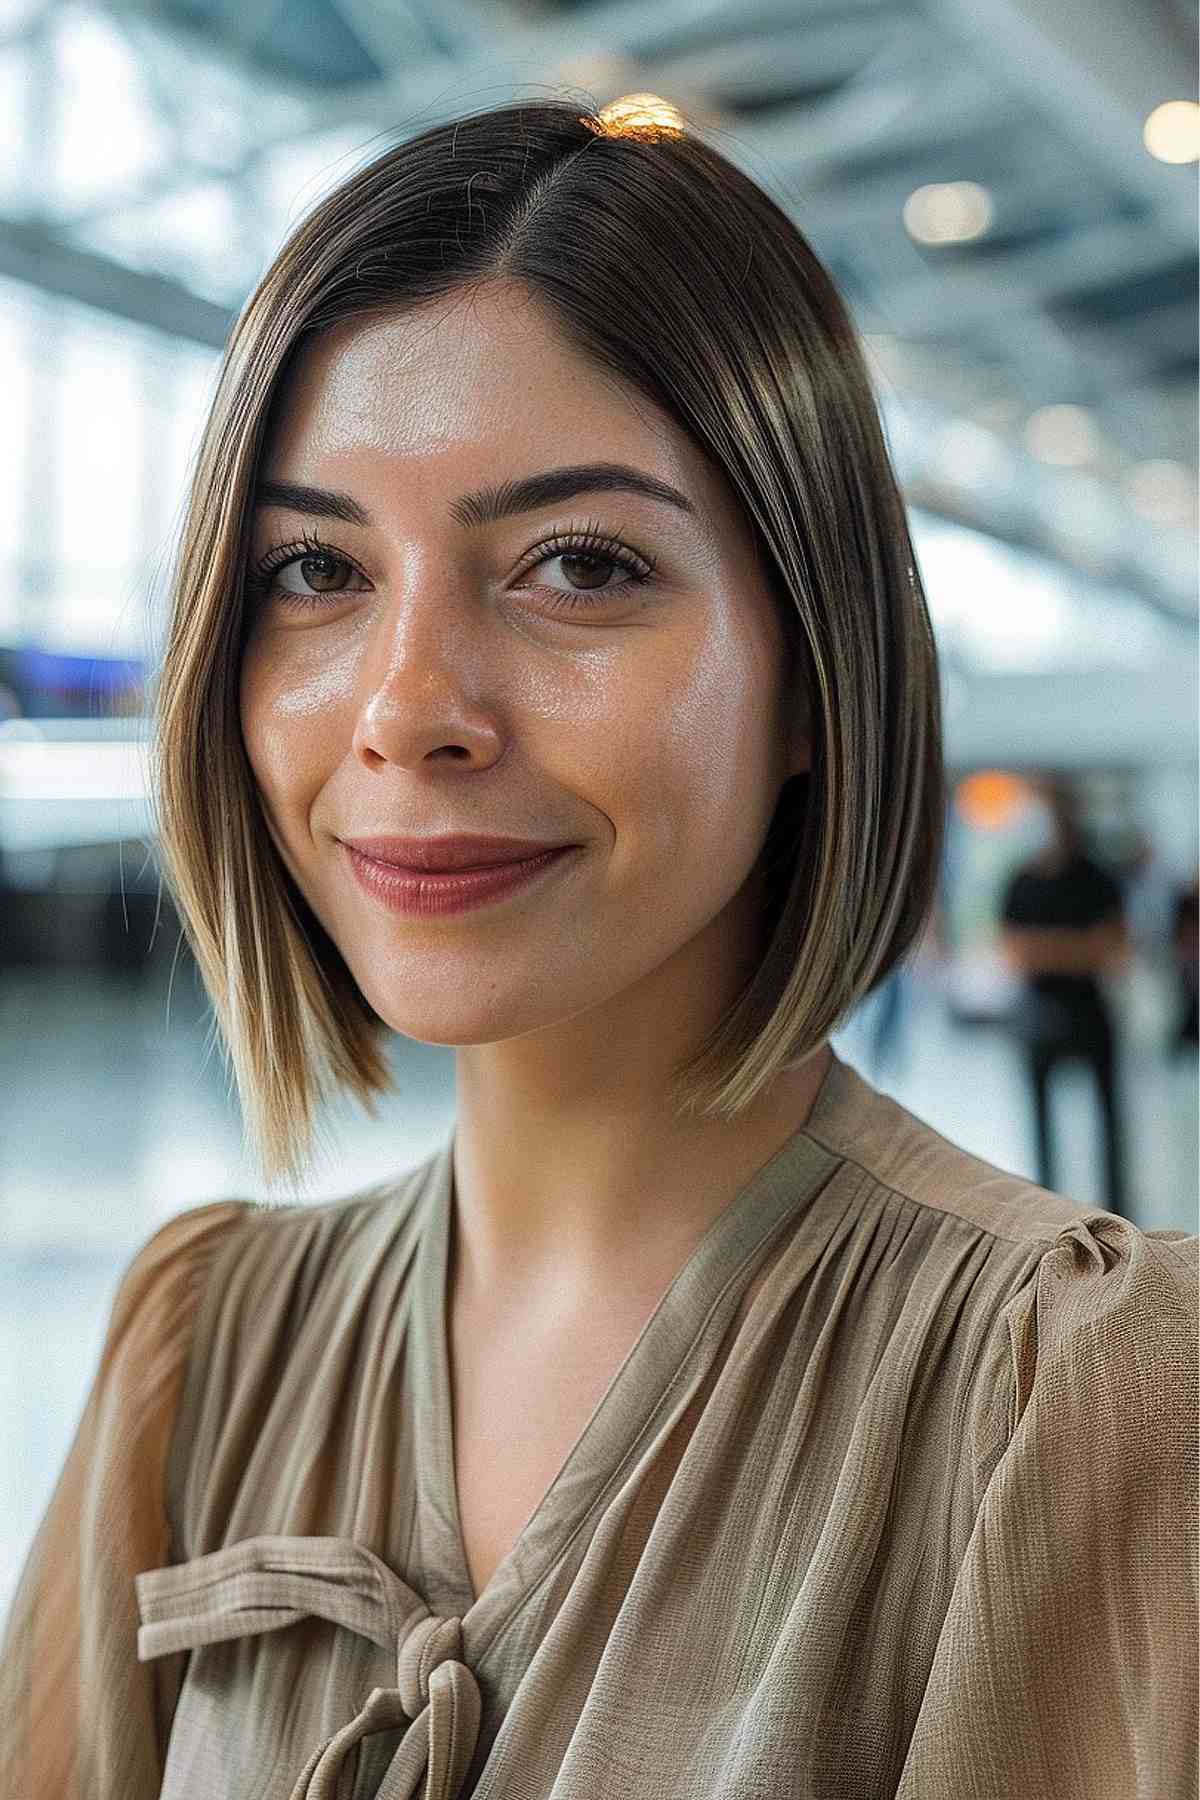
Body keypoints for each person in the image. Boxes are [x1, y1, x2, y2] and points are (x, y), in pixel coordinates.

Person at [1, 97, 1195, 1800]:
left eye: (578, 565)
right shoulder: (202, 1353)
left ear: (812, 663)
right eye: (318, 570)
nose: (409, 710)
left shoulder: (1073, 1398)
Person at [998, 776, 1132, 1218]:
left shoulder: (1098, 877)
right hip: (1041, 1016)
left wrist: (1047, 950)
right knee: (1041, 1127)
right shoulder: (1021, 881)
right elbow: (1014, 954)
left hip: (1091, 1013)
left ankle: (1117, 1215)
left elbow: (1112, 949)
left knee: (1109, 1124)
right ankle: (1052, 1218)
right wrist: (1078, 948)